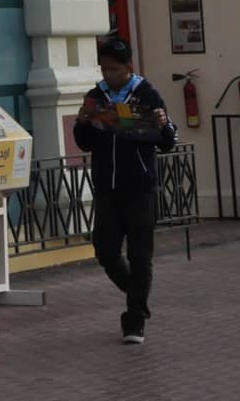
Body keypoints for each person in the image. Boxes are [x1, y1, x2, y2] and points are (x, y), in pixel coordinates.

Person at [73, 35, 177, 346]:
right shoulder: (96, 95)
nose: (108, 76)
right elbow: (85, 143)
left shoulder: (146, 93)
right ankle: (136, 291)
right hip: (107, 187)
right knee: (105, 249)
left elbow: (167, 141)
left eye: (114, 70)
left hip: (139, 187)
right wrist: (82, 123)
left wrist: (163, 124)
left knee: (140, 254)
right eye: (104, 70)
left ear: (127, 67)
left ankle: (134, 319)